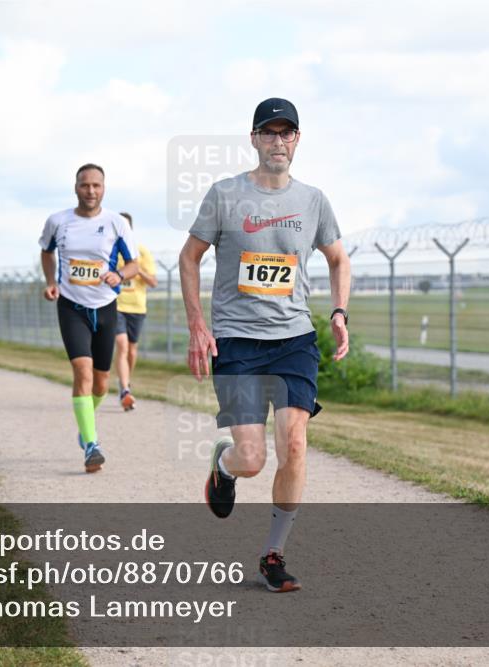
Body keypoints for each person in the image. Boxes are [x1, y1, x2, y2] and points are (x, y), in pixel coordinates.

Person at [179, 98, 351, 593]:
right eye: (269, 133)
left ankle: (273, 554)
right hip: (236, 341)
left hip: (294, 339)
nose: (279, 141)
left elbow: (339, 260)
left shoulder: (314, 200)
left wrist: (338, 312)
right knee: (252, 459)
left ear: (298, 140)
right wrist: (197, 324)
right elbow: (189, 258)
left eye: (287, 133)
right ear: (253, 139)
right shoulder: (225, 195)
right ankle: (224, 464)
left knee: (294, 444)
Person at [40, 163, 139, 473]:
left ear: (104, 188)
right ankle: (92, 444)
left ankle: (85, 428)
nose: (91, 191)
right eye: (85, 185)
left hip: (106, 306)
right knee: (81, 373)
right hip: (71, 306)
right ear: (76, 187)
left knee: (101, 383)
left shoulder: (116, 224)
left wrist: (118, 274)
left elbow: (133, 265)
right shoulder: (58, 221)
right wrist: (51, 282)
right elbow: (47, 251)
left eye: (96, 185)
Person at [114, 212, 158, 411]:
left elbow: (153, 282)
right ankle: (125, 390)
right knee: (122, 345)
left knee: (131, 350)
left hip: (137, 307)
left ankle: (126, 382)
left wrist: (136, 269)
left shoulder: (141, 251)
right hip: (116, 305)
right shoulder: (109, 252)